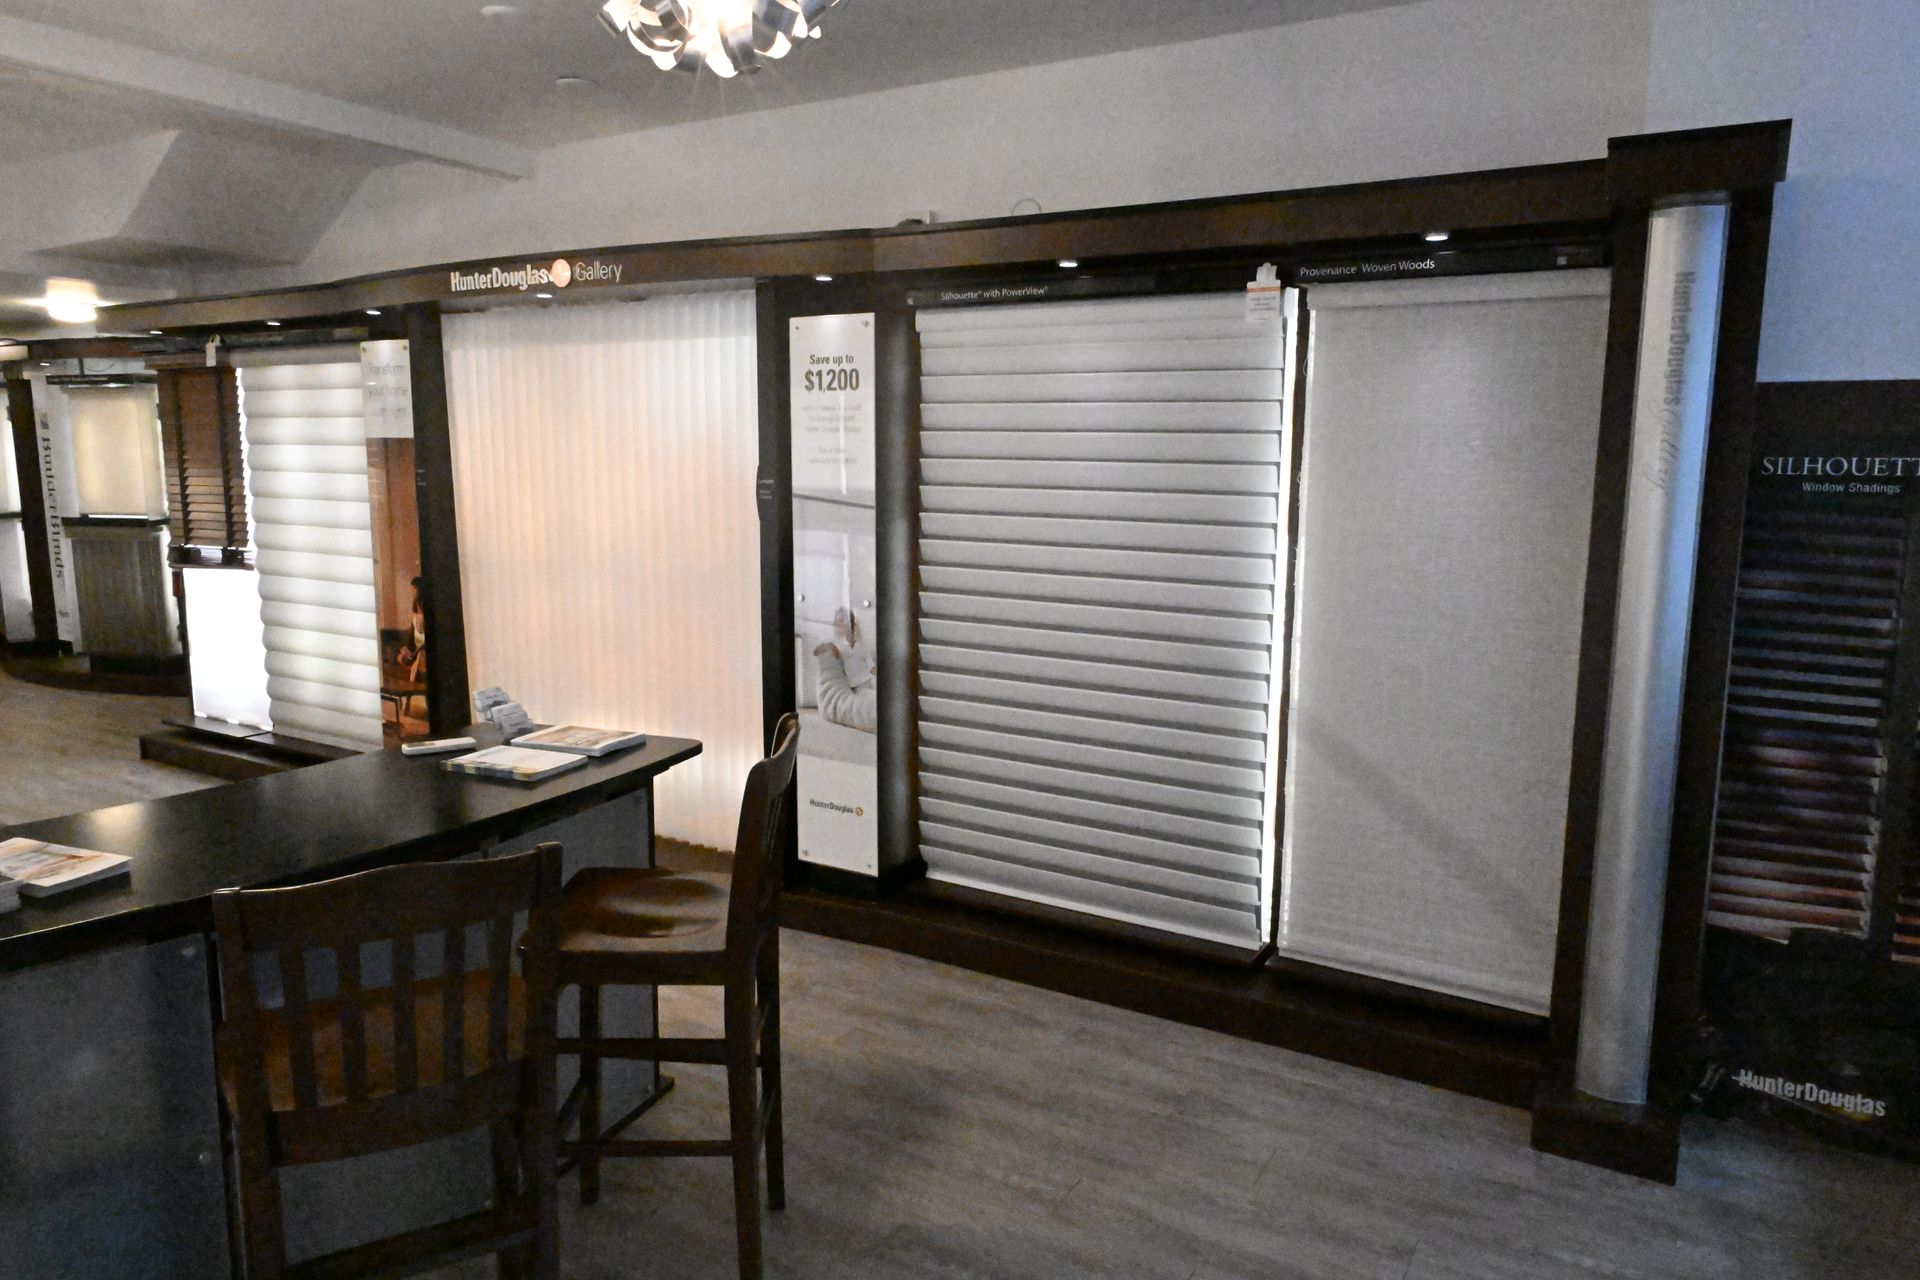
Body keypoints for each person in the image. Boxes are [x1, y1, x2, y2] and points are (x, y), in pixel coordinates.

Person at [812, 606, 876, 732]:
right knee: (871, 698)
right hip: (856, 686)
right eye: (838, 621)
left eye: (844, 620)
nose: (840, 624)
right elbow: (816, 652)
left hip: (868, 680)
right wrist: (826, 647)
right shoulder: (836, 646)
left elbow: (871, 667)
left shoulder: (861, 646)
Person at [395, 577, 427, 683]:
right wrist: (407, 649)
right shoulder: (414, 614)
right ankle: (415, 666)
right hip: (414, 650)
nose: (411, 592)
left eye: (414, 589)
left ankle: (418, 669)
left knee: (421, 657)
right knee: (401, 657)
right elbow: (412, 635)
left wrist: (416, 652)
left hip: (422, 650)